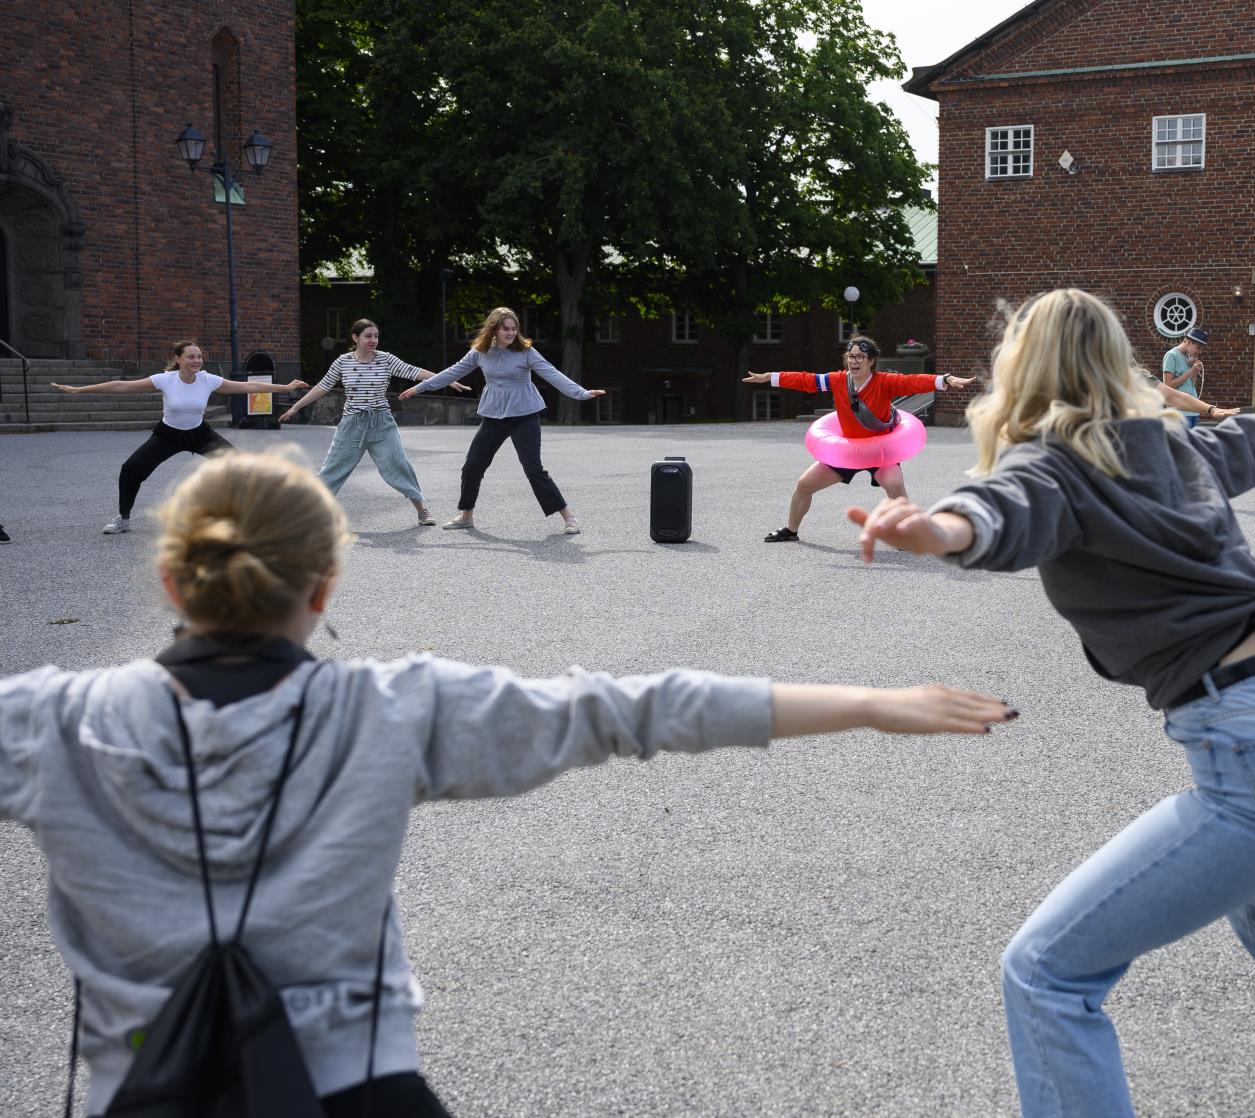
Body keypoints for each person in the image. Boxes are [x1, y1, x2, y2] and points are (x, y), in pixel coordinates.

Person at [0, 448, 1010, 1116]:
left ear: (175, 583)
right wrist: (873, 699)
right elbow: (632, 708)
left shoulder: (51, 720)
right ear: (325, 586)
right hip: (354, 1082)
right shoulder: (394, 709)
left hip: (138, 1082)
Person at [849, 289, 1255, 1117]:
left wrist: (940, 531)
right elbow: (1249, 440)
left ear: (1019, 368)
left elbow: (1001, 509)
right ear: (1115, 360)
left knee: (1045, 973)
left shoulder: (1052, 460)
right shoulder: (1165, 443)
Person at [52, 340, 306, 535]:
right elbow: (122, 385)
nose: (197, 360)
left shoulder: (208, 380)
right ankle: (123, 519)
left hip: (199, 433)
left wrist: (284, 388)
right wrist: (80, 390)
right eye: (191, 357)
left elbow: (248, 387)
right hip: (168, 435)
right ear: (178, 359)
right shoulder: (165, 380)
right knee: (130, 469)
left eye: (199, 356)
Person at [744, 336, 976, 543]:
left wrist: (944, 380)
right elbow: (807, 380)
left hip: (880, 452)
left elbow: (912, 381)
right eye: (850, 356)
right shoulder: (838, 380)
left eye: (860, 357)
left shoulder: (884, 382)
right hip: (846, 451)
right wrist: (770, 377)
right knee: (804, 485)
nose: (854, 361)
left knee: (894, 484)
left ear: (871, 361)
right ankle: (791, 530)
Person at [399, 307, 605, 532]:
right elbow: (451, 373)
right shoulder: (480, 351)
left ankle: (568, 517)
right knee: (472, 466)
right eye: (505, 329)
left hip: (524, 415)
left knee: (533, 468)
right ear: (494, 330)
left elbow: (552, 373)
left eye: (514, 329)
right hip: (494, 416)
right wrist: (420, 388)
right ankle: (466, 514)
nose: (510, 333)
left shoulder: (526, 351)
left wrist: (581, 393)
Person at [280, 319, 470, 526]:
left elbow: (414, 371)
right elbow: (322, 387)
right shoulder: (343, 362)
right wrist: (294, 408)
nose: (373, 340)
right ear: (356, 338)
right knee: (332, 469)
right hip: (352, 424)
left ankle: (422, 510)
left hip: (381, 422)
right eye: (368, 336)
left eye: (376, 336)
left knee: (398, 464)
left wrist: (446, 379)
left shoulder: (386, 360)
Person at [1162, 325, 1209, 426]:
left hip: (1193, 410)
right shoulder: (1171, 355)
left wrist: (1194, 370)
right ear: (1188, 342)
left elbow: (1192, 385)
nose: (1199, 352)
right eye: (1198, 348)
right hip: (1179, 411)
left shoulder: (1189, 357)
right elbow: (1168, 386)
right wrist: (1191, 371)